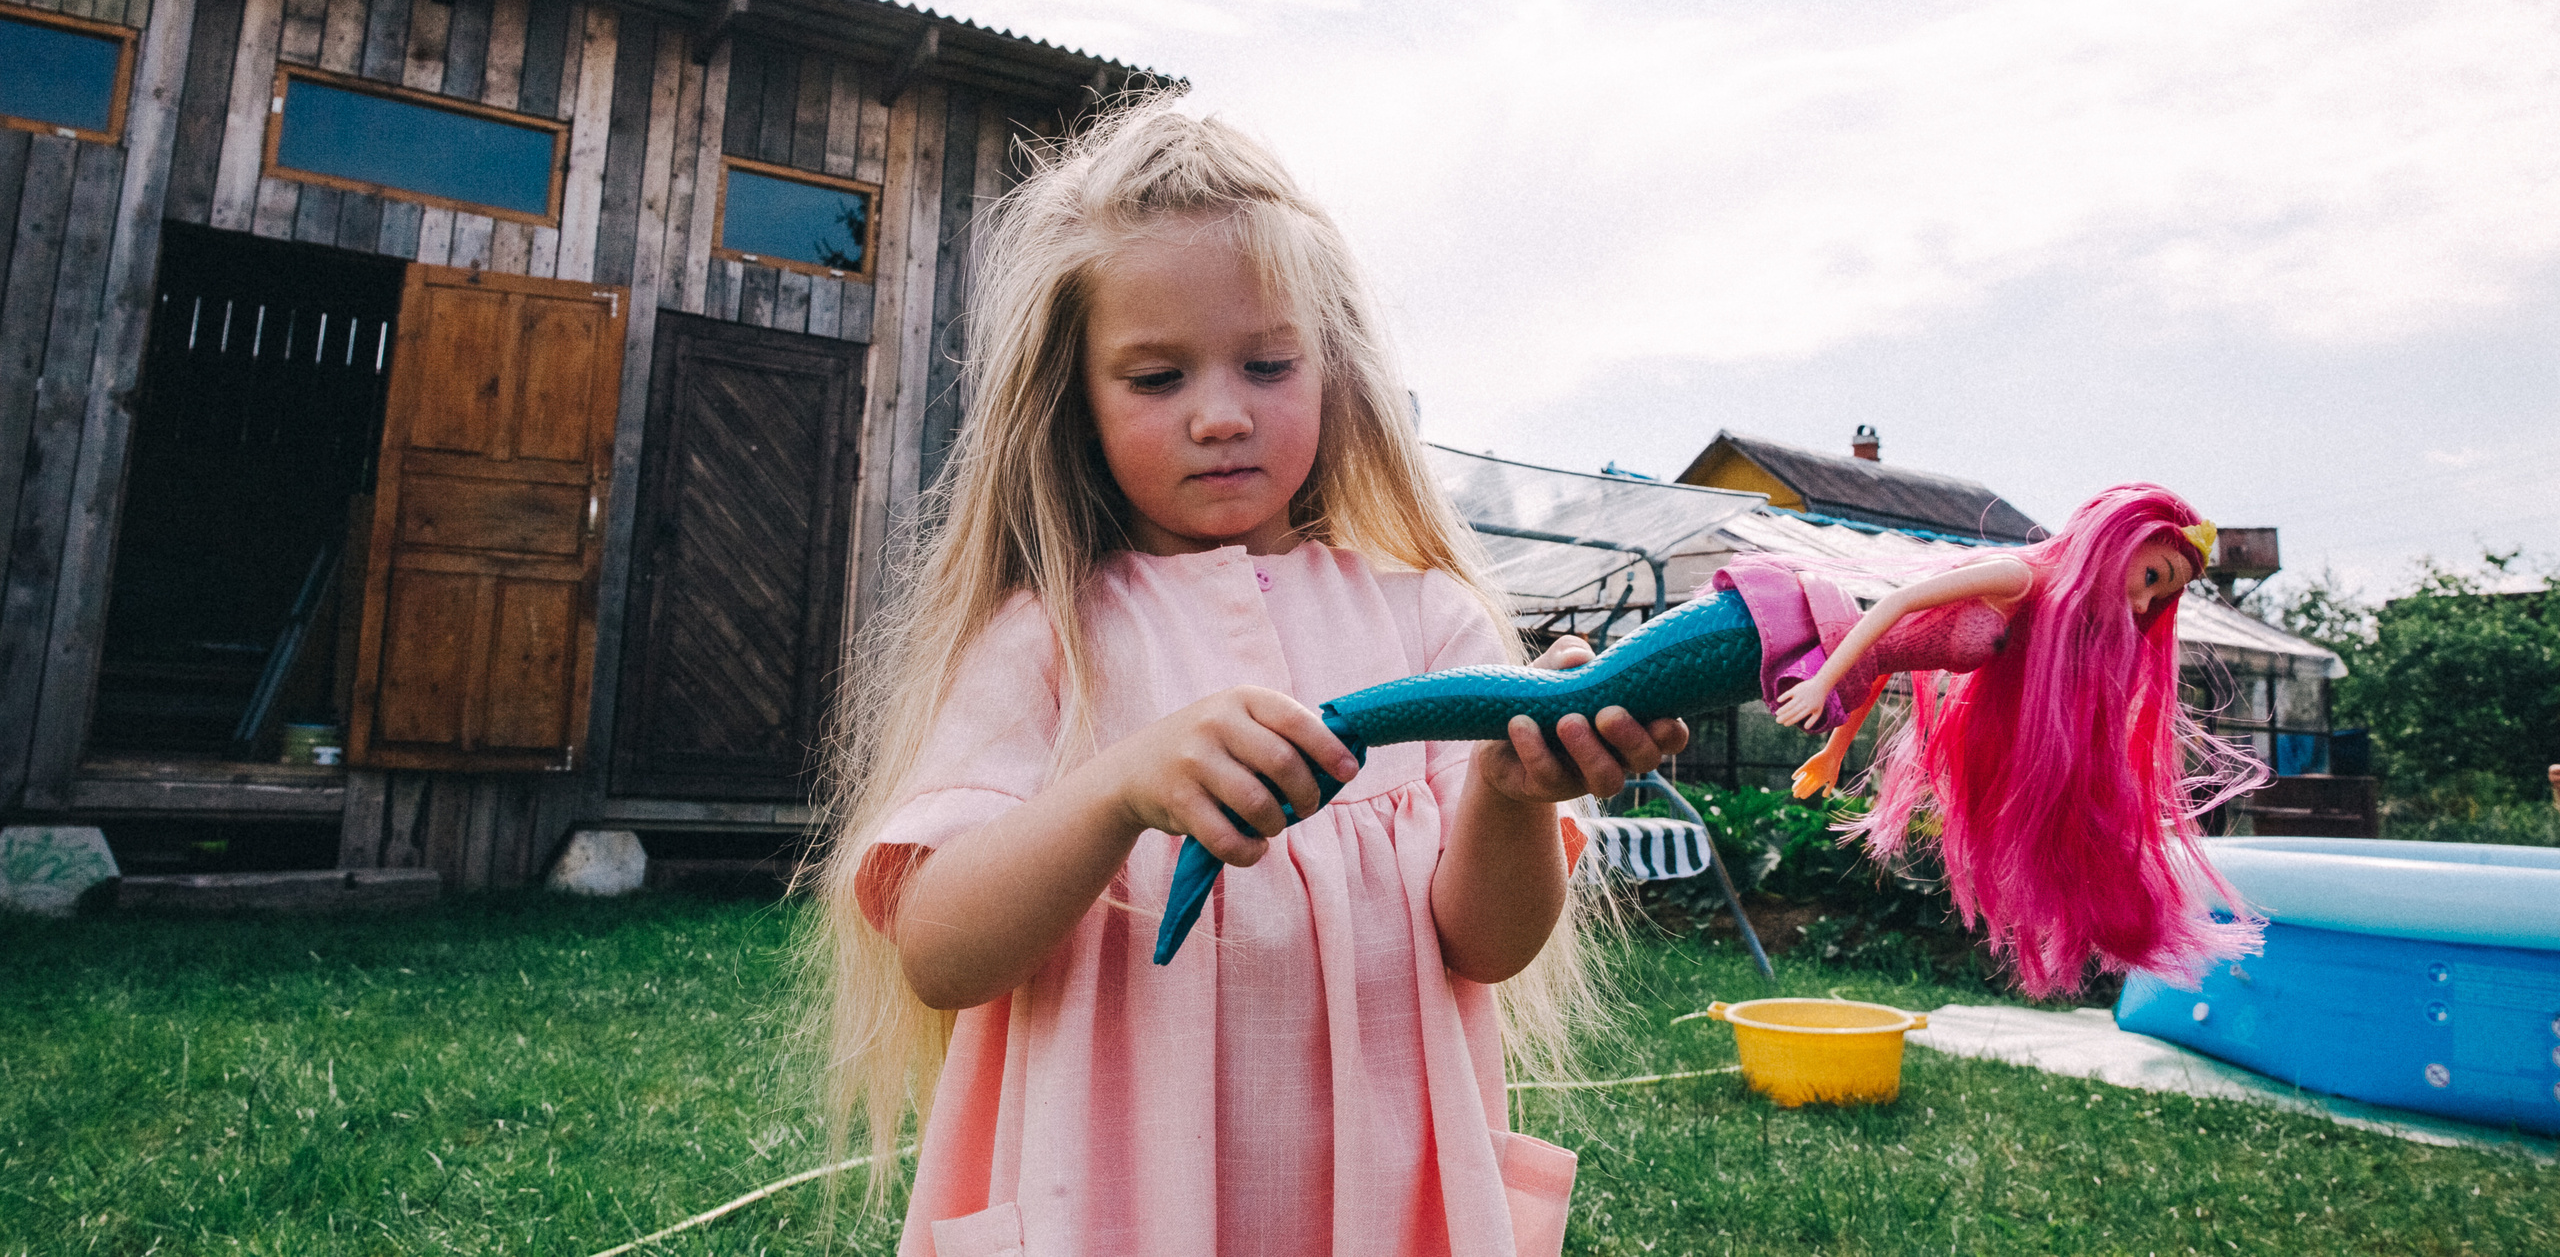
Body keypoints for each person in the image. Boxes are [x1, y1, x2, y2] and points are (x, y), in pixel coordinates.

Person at [811, 103, 1684, 1257]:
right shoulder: (1046, 640)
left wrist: (1510, 794)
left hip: (1374, 1217)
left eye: (1268, 365)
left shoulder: (1430, 623)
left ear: (1334, 373)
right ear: (1076, 399)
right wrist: (1117, 788)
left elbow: (1485, 945)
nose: (1221, 415)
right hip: (1111, 1219)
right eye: (1156, 376)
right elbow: (940, 955)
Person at [1738, 485, 2264, 997]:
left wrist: (1833, 752)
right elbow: (1895, 606)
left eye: (2158, 596)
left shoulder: (2051, 614)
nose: (2145, 603)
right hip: (1820, 643)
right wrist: (1823, 681)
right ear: (2117, 541)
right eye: (2151, 576)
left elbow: (1882, 665)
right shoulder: (2017, 577)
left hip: (1856, 670)